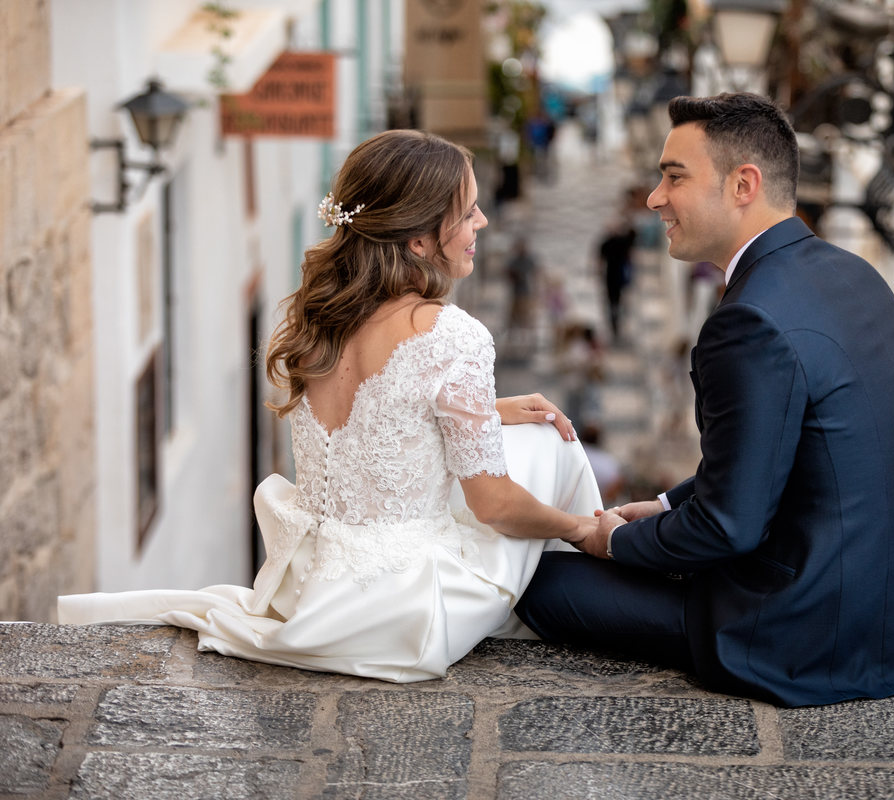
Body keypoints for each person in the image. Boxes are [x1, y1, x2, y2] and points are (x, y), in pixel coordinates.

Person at [59, 130, 602, 683]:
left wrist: (485, 410)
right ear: (418, 241)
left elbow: (379, 421)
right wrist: (579, 527)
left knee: (522, 427)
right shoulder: (450, 334)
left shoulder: (319, 320)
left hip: (312, 583)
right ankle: (600, 574)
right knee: (549, 442)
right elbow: (494, 506)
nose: (481, 223)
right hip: (409, 603)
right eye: (467, 213)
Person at [516, 93, 894, 707]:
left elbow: (728, 526)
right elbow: (781, 453)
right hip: (889, 621)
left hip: (792, 636)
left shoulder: (748, 321)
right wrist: (665, 503)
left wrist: (608, 539)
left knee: (537, 577)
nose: (654, 198)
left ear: (744, 184)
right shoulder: (856, 276)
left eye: (674, 177)